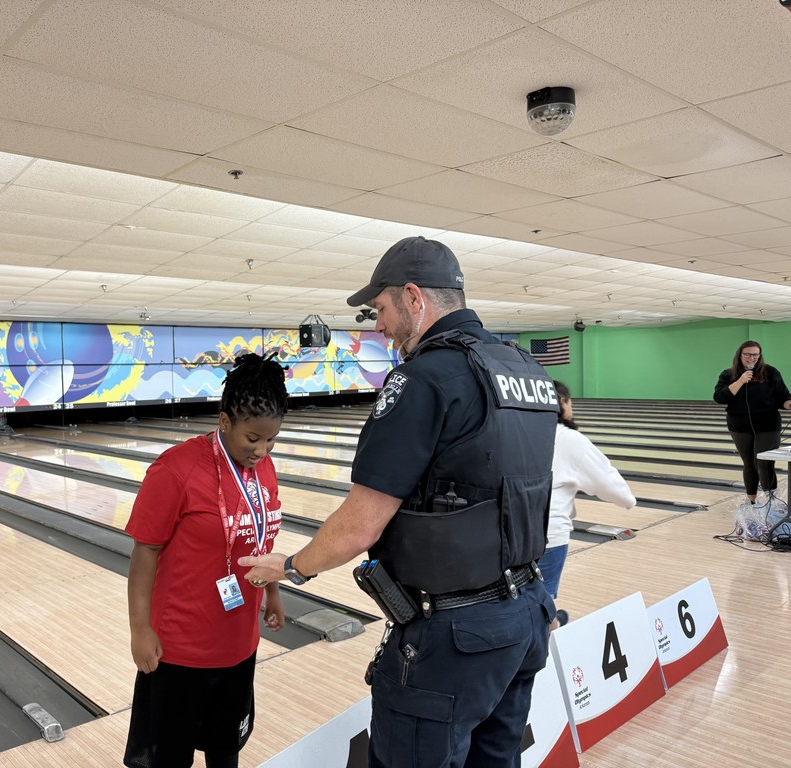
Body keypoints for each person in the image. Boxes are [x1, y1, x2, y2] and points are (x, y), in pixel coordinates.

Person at [241, 236, 558, 768]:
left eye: (381, 309)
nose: (379, 326)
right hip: (526, 615)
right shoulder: (525, 369)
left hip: (454, 640)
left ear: (414, 298)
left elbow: (359, 526)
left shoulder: (423, 379)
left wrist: (292, 566)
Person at [124, 352, 288, 768]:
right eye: (253, 438)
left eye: (271, 440)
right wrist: (140, 629)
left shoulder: (264, 469)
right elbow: (145, 552)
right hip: (180, 651)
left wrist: (273, 593)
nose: (262, 450)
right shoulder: (176, 470)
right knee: (170, 759)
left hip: (239, 644)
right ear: (225, 421)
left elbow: (262, 535)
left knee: (225, 751)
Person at [544, 380, 636, 629]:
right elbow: (608, 483)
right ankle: (550, 632)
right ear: (562, 402)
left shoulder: (516, 431)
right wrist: (628, 500)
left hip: (508, 533)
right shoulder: (569, 438)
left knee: (525, 599)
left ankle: (552, 623)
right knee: (540, 604)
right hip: (549, 534)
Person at [713, 340, 791, 506]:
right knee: (749, 463)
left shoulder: (770, 372)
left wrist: (789, 404)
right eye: (747, 354)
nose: (751, 358)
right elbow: (720, 397)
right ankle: (752, 502)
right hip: (740, 426)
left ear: (760, 355)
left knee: (764, 462)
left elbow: (783, 397)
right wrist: (740, 381)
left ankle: (771, 503)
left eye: (755, 354)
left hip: (768, 425)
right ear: (739, 355)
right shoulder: (728, 374)